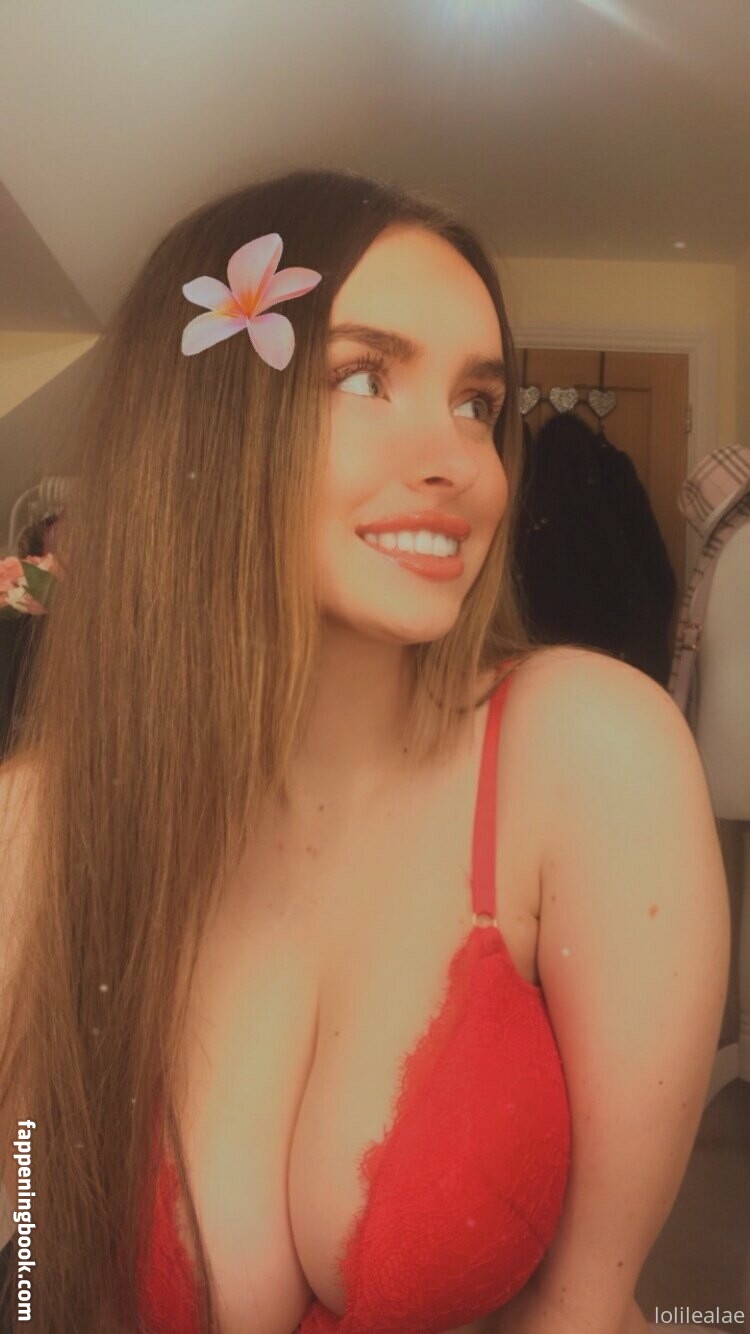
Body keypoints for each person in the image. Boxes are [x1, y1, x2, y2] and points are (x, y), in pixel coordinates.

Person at [0, 169, 730, 1333]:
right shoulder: (41, 828)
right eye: (362, 376)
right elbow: (32, 1255)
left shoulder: (589, 754)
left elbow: (583, 1305)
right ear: (208, 422)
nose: (459, 459)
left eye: (478, 402)